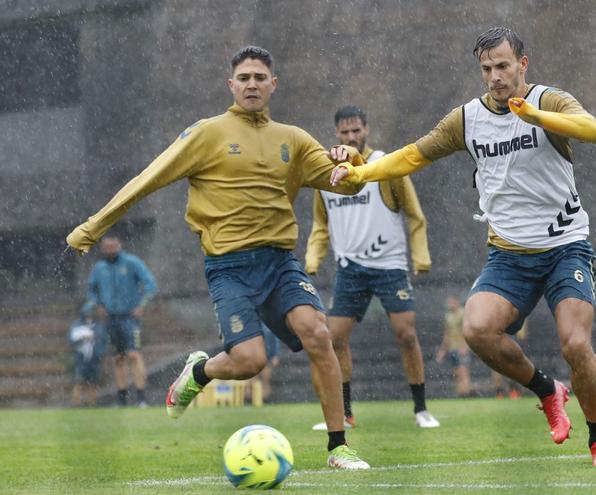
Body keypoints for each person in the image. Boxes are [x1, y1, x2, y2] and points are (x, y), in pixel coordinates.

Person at [66, 46, 369, 469]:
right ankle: (199, 373)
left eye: (259, 77)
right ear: (231, 85)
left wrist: (348, 158)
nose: (251, 84)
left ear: (273, 84)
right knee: (249, 361)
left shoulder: (294, 139)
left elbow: (349, 184)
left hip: (280, 263)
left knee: (319, 333)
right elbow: (148, 179)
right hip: (229, 267)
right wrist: (94, 225)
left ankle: (338, 447)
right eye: (243, 77)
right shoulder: (207, 133)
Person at [330, 27, 596, 466]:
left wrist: (538, 118)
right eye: (486, 69)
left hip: (565, 246)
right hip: (509, 254)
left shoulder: (548, 100)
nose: (494, 76)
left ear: (523, 64)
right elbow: (412, 155)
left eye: (503, 66)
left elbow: (593, 130)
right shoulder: (467, 119)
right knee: (476, 330)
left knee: (576, 346)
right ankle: (547, 390)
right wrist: (361, 175)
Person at [306, 105, 439, 430]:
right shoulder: (325, 174)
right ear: (337, 134)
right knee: (334, 338)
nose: (351, 136)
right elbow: (320, 225)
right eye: (345, 132)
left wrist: (420, 257)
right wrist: (313, 258)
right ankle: (346, 413)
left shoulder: (384, 165)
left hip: (389, 265)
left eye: (357, 130)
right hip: (350, 269)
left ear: (367, 130)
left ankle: (421, 408)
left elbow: (414, 214)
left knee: (406, 334)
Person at [82, 236, 156, 408]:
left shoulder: (131, 263)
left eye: (113, 246)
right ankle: (122, 399)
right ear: (102, 248)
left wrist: (142, 306)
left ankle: (141, 398)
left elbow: (150, 285)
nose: (110, 250)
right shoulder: (100, 268)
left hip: (130, 318)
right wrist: (98, 305)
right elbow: (91, 292)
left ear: (119, 245)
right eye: (106, 247)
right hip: (110, 319)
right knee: (118, 358)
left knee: (134, 355)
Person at [435, 295, 474, 398]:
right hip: (452, 349)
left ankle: (467, 394)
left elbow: (468, 330)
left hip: (462, 348)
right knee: (457, 374)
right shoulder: (448, 316)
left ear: (457, 302)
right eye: (449, 303)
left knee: (463, 373)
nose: (450, 305)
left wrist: (466, 346)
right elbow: (447, 334)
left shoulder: (463, 313)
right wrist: (442, 350)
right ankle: (461, 394)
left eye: (452, 302)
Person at [69, 316, 101, 407]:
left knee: (93, 382)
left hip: (94, 357)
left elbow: (102, 340)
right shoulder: (77, 324)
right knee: (79, 381)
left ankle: (92, 404)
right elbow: (72, 339)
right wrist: (83, 338)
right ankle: (76, 404)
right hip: (81, 358)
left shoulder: (97, 325)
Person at [491, 319, 527, 399]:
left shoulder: (517, 311)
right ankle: (500, 392)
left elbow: (521, 334)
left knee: (513, 367)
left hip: (512, 341)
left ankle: (514, 391)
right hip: (497, 341)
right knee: (497, 367)